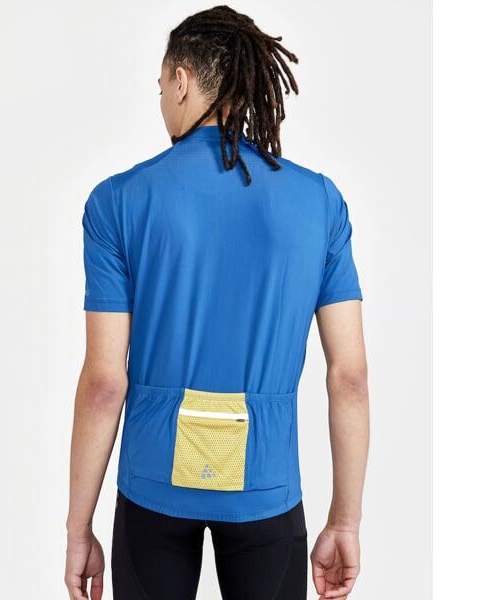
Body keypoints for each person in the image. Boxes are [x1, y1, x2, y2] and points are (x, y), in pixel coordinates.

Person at [65, 5, 369, 600]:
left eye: (160, 85)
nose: (160, 100)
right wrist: (345, 521)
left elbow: (104, 383)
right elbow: (350, 378)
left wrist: (79, 529)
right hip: (266, 487)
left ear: (181, 80)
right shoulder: (319, 202)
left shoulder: (116, 201)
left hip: (152, 485)